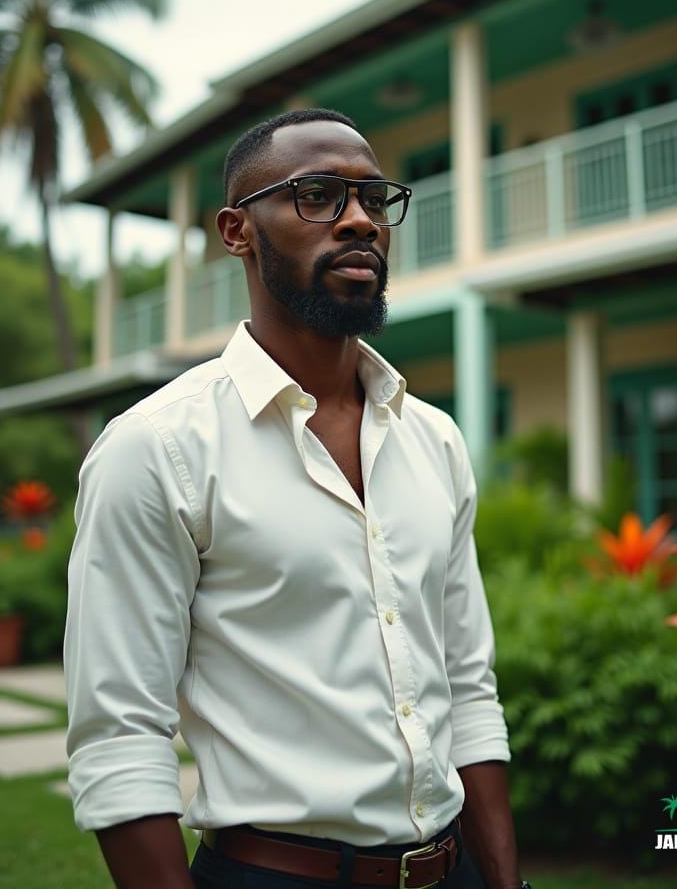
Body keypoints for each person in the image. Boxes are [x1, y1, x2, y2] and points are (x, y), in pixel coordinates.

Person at [64, 108, 528, 889]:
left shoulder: (434, 440)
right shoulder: (159, 448)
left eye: (374, 199)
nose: (359, 221)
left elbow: (467, 689)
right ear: (237, 231)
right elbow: (120, 738)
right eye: (317, 195)